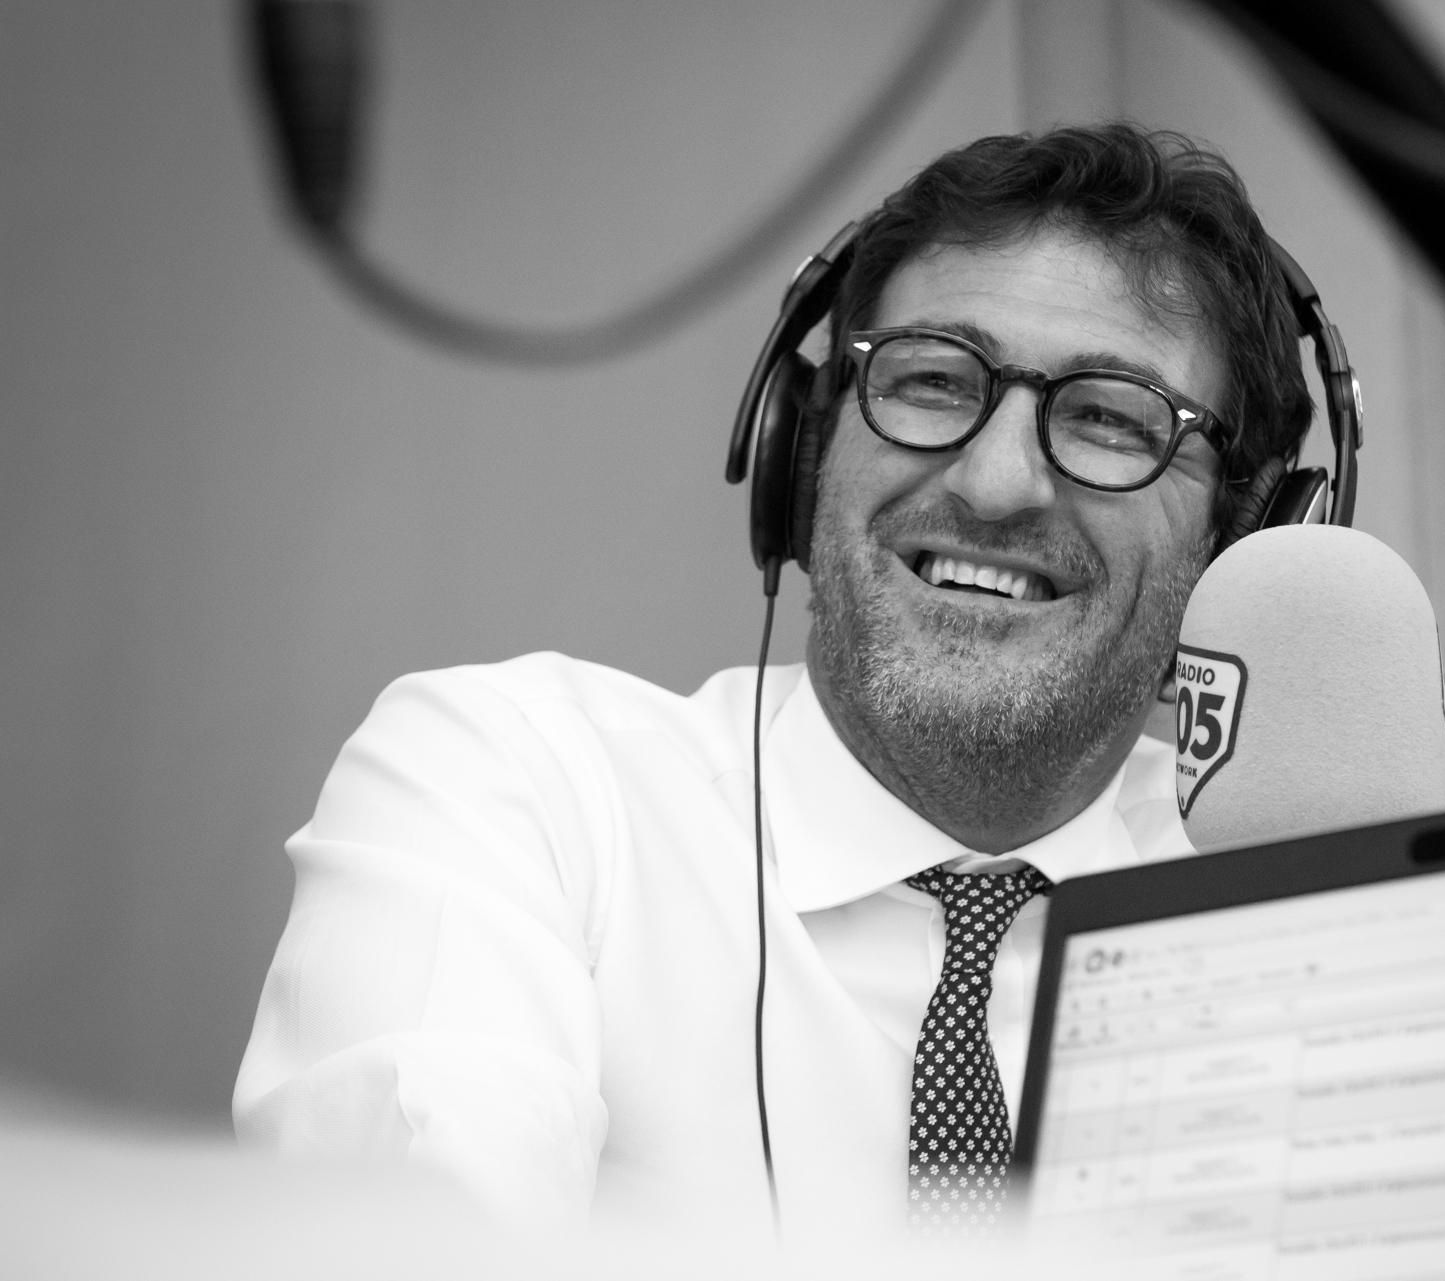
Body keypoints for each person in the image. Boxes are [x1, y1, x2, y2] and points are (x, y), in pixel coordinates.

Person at [232, 123, 1314, 1242]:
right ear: (807, 443)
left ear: (1244, 534)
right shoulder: (512, 784)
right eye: (934, 380)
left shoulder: (1305, 915)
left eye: (1109, 418)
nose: (996, 483)